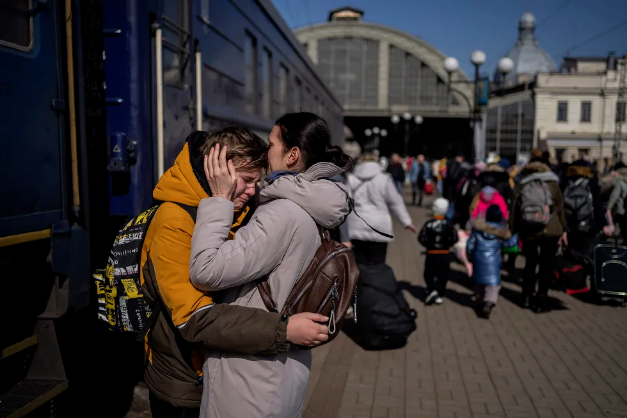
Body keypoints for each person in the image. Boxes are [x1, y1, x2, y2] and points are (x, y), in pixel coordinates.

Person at [140, 128, 329, 417]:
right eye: (247, 180)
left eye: (258, 181)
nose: (254, 191)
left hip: (224, 373)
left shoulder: (238, 206)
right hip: (187, 383)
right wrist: (284, 329)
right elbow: (195, 320)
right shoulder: (173, 221)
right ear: (218, 171)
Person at [188, 112, 351, 418]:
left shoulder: (283, 214)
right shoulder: (310, 212)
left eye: (272, 143)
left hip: (251, 379)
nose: (266, 150)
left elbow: (206, 270)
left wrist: (220, 199)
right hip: (280, 370)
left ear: (292, 155)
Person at [510, 160, 567, 313]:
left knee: (530, 263)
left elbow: (514, 208)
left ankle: (526, 297)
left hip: (528, 229)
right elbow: (560, 207)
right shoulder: (553, 183)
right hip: (551, 229)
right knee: (546, 265)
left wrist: (513, 229)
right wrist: (564, 229)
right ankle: (541, 298)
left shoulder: (522, 184)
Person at [346, 153, 417, 266]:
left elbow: (345, 202)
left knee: (358, 263)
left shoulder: (352, 178)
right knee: (377, 264)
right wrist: (406, 222)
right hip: (379, 227)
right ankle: (375, 282)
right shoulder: (384, 178)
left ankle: (360, 283)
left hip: (356, 225)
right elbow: (395, 202)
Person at [467, 205, 516, 319]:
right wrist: (515, 235)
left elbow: (470, 245)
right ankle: (488, 303)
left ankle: (479, 301)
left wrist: (470, 257)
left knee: (479, 282)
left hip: (478, 260)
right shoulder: (501, 233)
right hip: (493, 262)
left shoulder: (478, 230)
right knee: (493, 285)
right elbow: (511, 244)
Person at [562, 160, 610, 255]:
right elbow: (597, 205)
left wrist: (562, 228)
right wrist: (604, 224)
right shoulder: (591, 184)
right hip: (588, 226)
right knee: (586, 254)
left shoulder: (565, 184)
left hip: (570, 226)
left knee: (572, 255)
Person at [418, 198, 458, 305]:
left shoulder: (429, 224)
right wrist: (447, 245)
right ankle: (439, 293)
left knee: (429, 273)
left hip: (432, 253)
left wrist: (429, 246)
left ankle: (432, 289)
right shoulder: (448, 224)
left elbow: (421, 237)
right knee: (443, 274)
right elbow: (455, 238)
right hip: (444, 253)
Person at [607, 166, 627, 240]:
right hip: (624, 210)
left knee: (622, 230)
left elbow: (614, 196)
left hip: (620, 211)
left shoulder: (620, 183)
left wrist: (608, 208)